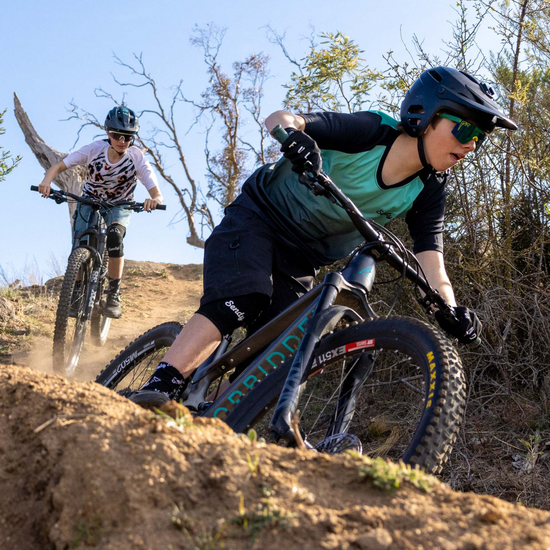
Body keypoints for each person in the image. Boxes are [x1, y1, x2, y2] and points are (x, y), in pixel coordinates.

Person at [130, 66, 517, 409]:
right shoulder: (373, 131)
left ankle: (209, 417)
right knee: (244, 296)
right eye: (465, 129)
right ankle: (160, 385)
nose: (471, 145)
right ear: (426, 115)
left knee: (280, 347)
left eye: (479, 138)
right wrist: (297, 138)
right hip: (257, 219)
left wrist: (447, 307)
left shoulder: (429, 189)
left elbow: (431, 256)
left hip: (302, 259)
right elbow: (281, 118)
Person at [38, 106, 163, 319]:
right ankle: (76, 290)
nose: (122, 140)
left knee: (115, 237)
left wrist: (154, 200)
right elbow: (58, 167)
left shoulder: (136, 157)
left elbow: (156, 193)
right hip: (89, 201)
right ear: (108, 133)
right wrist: (46, 183)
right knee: (80, 242)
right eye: (116, 135)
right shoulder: (94, 149)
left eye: (128, 137)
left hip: (120, 205)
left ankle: (114, 293)